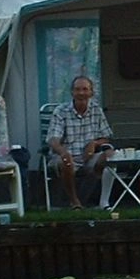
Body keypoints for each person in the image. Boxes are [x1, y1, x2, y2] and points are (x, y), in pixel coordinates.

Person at [48, 76, 114, 209]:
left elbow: (107, 136)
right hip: (66, 156)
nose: (81, 93)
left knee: (110, 155)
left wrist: (94, 143)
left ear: (91, 93)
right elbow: (53, 140)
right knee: (66, 161)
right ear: (72, 92)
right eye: (77, 89)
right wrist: (63, 152)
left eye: (85, 89)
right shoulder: (61, 111)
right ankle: (74, 201)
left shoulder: (96, 110)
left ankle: (103, 202)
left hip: (89, 156)